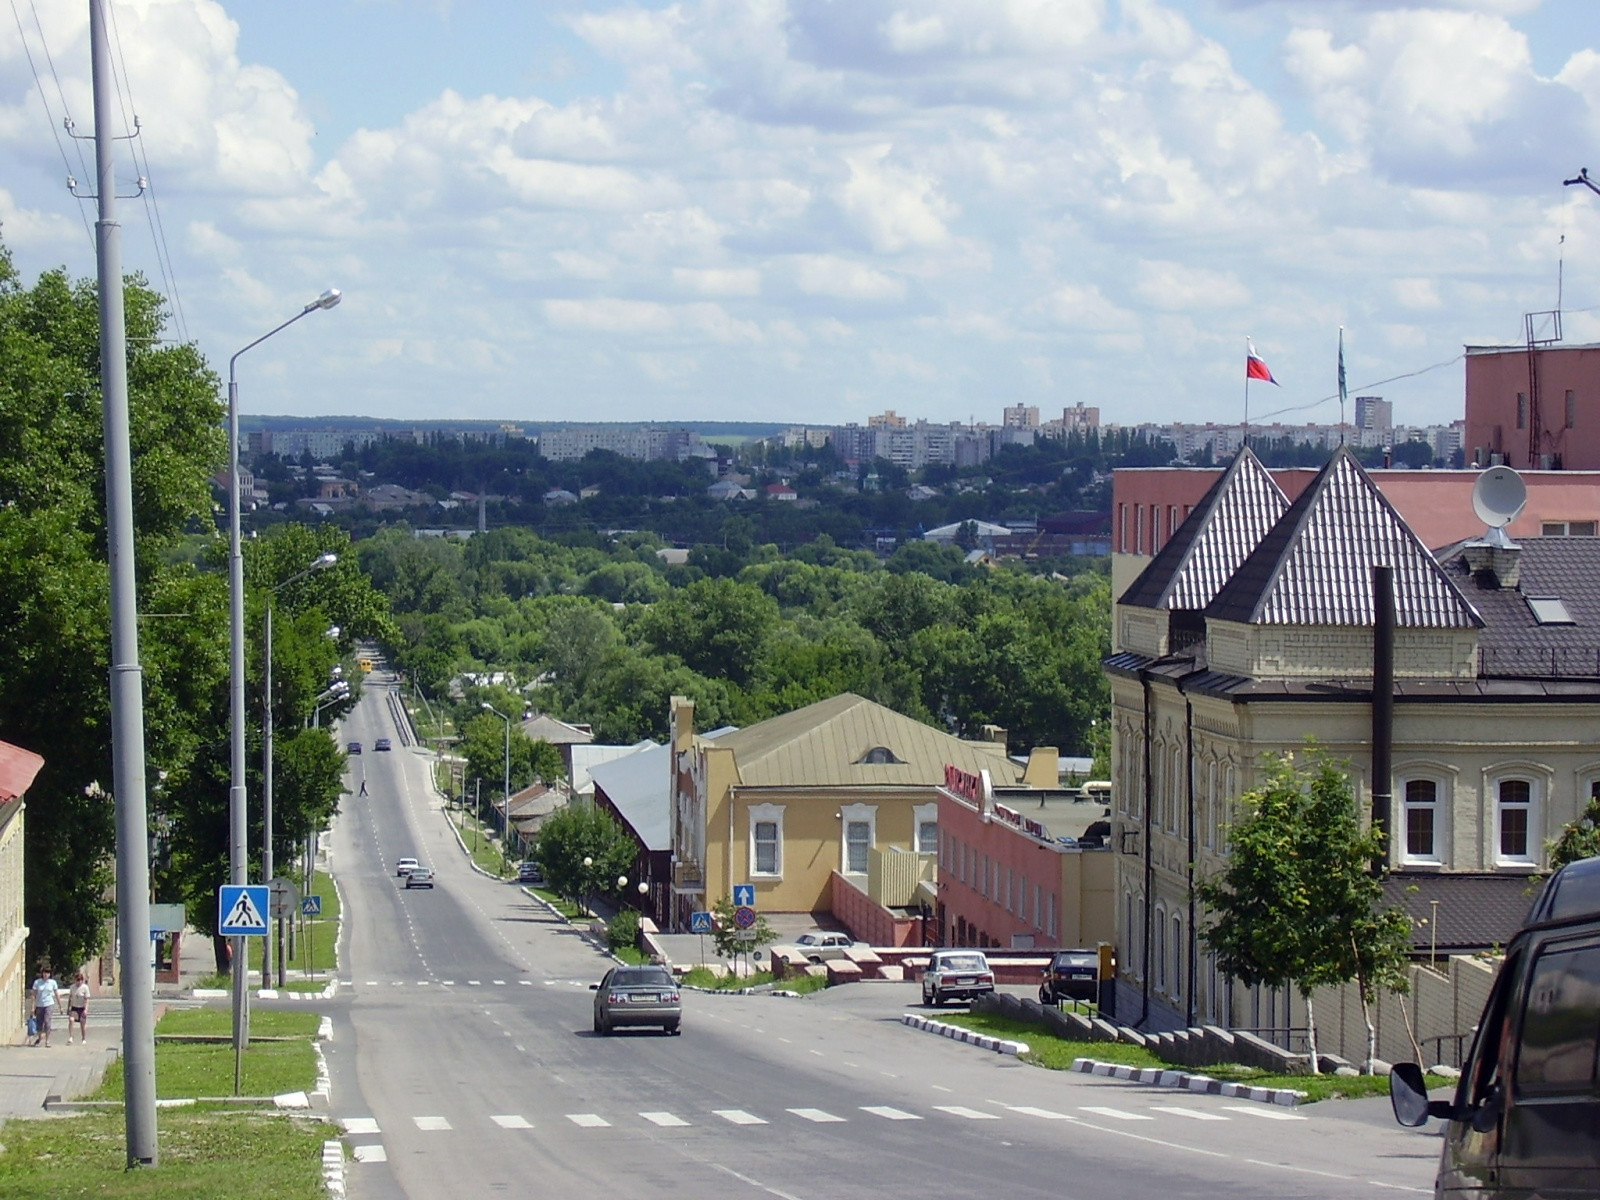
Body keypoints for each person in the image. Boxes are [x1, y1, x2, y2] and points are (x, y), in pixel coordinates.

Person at [30, 966, 61, 1047]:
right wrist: (32, 1007)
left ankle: (47, 1040)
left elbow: (57, 994)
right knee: (39, 1022)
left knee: (47, 1022)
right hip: (39, 1004)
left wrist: (60, 1006)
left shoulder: (52, 982)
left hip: (49, 1004)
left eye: (47, 973)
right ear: (42, 973)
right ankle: (40, 1038)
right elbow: (33, 995)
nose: (46, 974)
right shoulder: (37, 982)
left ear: (50, 974)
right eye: (44, 972)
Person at [66, 971, 90, 1044]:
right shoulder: (72, 987)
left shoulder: (85, 988)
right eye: (77, 980)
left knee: (82, 1024)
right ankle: (70, 1037)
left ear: (82, 980)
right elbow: (70, 998)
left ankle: (83, 1038)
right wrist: (68, 1008)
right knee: (71, 1020)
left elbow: (87, 999)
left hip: (82, 1007)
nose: (79, 982)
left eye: (80, 980)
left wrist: (86, 1009)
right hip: (74, 1007)